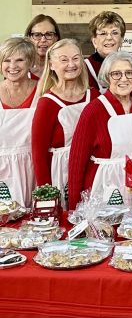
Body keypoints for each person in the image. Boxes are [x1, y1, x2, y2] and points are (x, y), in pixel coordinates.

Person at [68, 51, 132, 209]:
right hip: (105, 182)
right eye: (116, 74)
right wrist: (74, 208)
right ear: (107, 77)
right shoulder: (94, 110)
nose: (124, 79)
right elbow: (77, 162)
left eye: (129, 73)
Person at [31, 39, 99, 208]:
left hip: (89, 170)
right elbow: (38, 154)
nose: (71, 64)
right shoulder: (47, 103)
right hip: (61, 173)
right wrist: (46, 194)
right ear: (52, 64)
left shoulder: (94, 96)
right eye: (64, 60)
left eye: (76, 58)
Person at [0, 38, 39, 207]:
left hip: (34, 166)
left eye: (19, 60)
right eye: (7, 60)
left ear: (30, 62)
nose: (12, 66)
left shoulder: (42, 90)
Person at [84, 11, 126, 93]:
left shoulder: (128, 65)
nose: (109, 37)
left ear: (121, 40)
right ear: (94, 41)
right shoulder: (84, 68)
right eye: (103, 33)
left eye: (115, 33)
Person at [24, 14, 61, 80]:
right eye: (37, 35)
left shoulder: (65, 68)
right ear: (29, 38)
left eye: (49, 34)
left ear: (56, 38)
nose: (43, 40)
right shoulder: (19, 68)